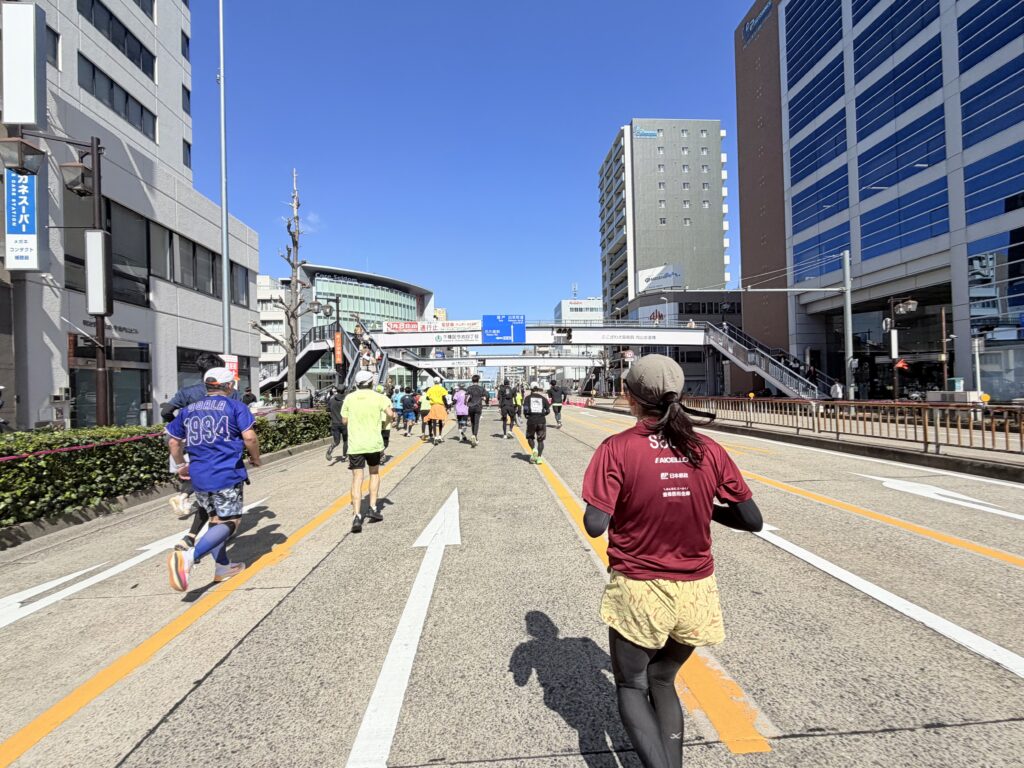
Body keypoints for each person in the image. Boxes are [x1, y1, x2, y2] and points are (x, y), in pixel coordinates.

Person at [581, 355, 762, 768]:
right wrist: (705, 506)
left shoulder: (618, 448)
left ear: (629, 396)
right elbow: (752, 520)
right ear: (680, 395)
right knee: (664, 680)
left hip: (641, 588)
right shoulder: (707, 448)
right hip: (697, 590)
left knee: (631, 686)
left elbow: (595, 524)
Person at [165, 367, 261, 592]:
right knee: (231, 521)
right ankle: (190, 557)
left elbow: (173, 442)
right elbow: (249, 437)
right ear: (229, 386)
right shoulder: (236, 406)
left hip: (199, 474)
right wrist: (256, 458)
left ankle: (223, 567)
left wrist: (181, 466)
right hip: (226, 471)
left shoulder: (188, 411)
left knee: (215, 519)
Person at [161, 351, 242, 548]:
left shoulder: (187, 392)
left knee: (203, 491)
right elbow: (241, 424)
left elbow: (165, 412)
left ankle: (185, 504)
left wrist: (184, 428)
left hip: (192, 446)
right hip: (220, 452)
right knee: (222, 501)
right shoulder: (231, 394)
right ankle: (206, 545)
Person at [341, 370, 393, 533]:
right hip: (373, 443)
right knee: (374, 474)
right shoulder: (378, 397)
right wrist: (386, 422)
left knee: (357, 477)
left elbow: (344, 420)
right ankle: (372, 508)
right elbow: (391, 414)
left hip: (355, 444)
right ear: (372, 383)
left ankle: (356, 515)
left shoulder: (349, 398)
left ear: (356, 383)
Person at [523, 382, 551, 465]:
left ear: (531, 389)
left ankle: (534, 450)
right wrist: (543, 415)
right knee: (541, 440)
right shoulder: (543, 398)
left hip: (531, 420)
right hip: (541, 421)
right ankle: (539, 458)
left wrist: (527, 416)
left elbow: (525, 410)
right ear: (538, 388)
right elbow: (548, 410)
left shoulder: (527, 398)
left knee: (530, 437)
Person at [464, 374, 489, 447]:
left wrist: (467, 404)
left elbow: (465, 398)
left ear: (472, 380)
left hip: (471, 407)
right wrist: (484, 400)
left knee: (472, 422)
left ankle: (474, 436)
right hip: (478, 407)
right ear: (478, 380)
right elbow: (486, 396)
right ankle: (474, 436)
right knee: (476, 422)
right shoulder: (481, 388)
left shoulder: (469, 388)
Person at [425, 376, 449, 445]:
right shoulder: (442, 389)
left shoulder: (430, 389)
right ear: (439, 381)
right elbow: (445, 397)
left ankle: (435, 437)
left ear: (433, 381)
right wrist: (447, 406)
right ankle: (440, 436)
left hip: (433, 406)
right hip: (441, 406)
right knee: (441, 421)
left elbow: (427, 397)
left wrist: (432, 398)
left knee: (434, 422)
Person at [326, 387, 348, 461]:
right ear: (344, 391)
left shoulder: (332, 400)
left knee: (336, 441)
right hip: (345, 423)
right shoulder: (346, 400)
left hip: (335, 423)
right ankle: (344, 456)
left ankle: (330, 448)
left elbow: (328, 410)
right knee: (346, 440)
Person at [375, 385, 391, 457]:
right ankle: (381, 453)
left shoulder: (372, 398)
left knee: (377, 440)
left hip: (375, 423)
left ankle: (378, 453)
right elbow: (391, 412)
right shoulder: (386, 398)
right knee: (385, 441)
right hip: (386, 423)